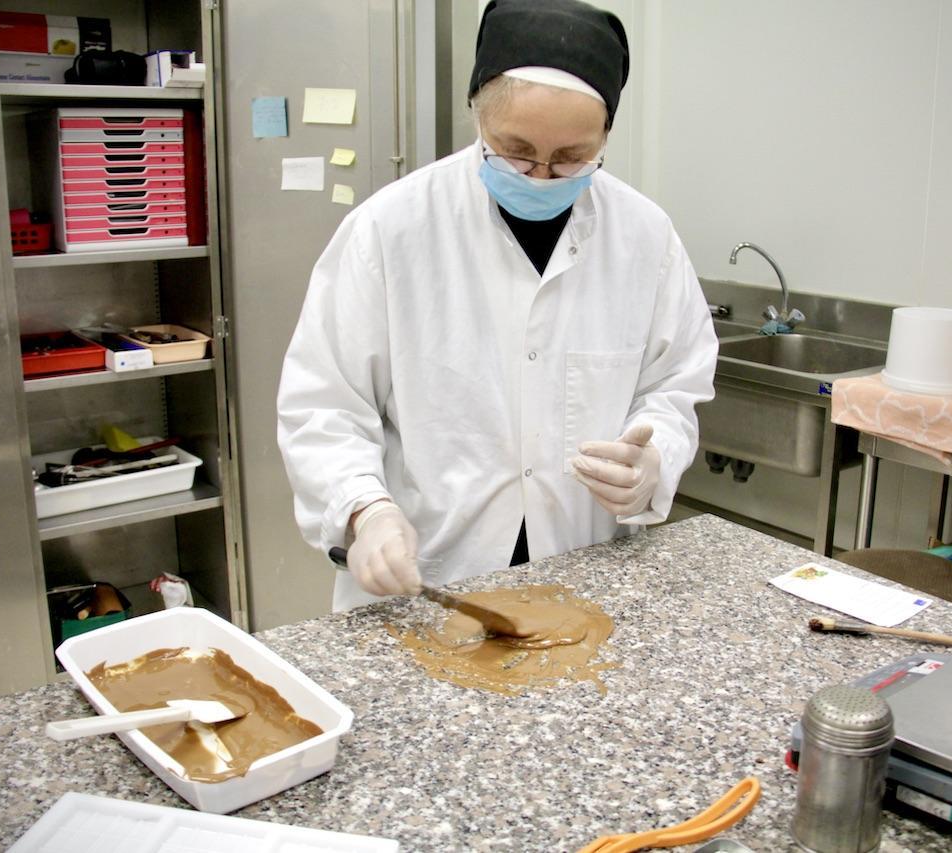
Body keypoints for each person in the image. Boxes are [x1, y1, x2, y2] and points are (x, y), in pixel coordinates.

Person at [277, 0, 718, 611]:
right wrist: (365, 511)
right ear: (477, 117)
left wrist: (655, 460)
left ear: (605, 137)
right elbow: (324, 404)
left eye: (571, 157)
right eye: (516, 150)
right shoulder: (390, 229)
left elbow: (675, 383)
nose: (540, 175)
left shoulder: (645, 236)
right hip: (429, 576)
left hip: (581, 572)